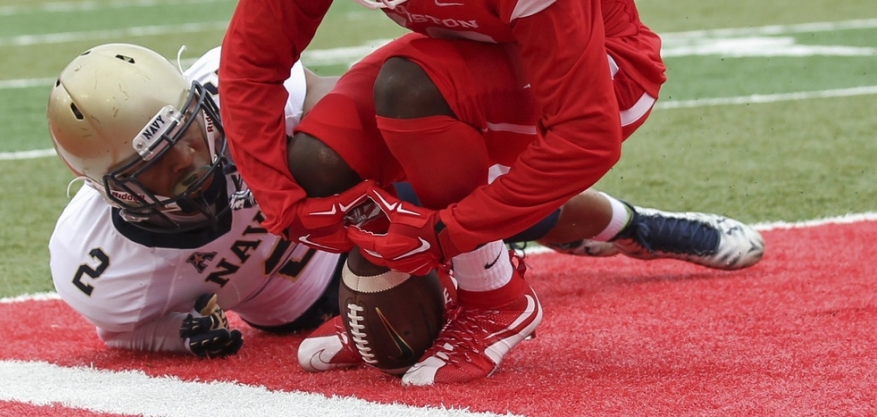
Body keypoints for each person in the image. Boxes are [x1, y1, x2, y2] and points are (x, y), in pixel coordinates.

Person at [217, 0, 764, 386]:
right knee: (315, 162)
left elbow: (585, 135)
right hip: (461, 60)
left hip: (605, 72)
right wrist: (282, 203)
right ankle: (430, 294)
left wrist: (445, 235)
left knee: (412, 99)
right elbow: (251, 60)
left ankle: (495, 300)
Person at [49, 41, 764, 371]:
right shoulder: (99, 269)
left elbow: (347, 126)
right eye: (161, 168)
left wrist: (402, 208)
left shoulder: (235, 91)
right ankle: (475, 273)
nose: (194, 165)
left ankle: (637, 228)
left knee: (479, 190)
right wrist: (190, 339)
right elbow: (130, 332)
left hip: (340, 213)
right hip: (303, 297)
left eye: (189, 138)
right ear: (110, 189)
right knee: (404, 338)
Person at [47, 43, 346, 359]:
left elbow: (332, 93)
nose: (187, 158)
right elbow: (123, 332)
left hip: (354, 213)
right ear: (116, 192)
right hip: (304, 301)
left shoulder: (233, 85)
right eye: (157, 163)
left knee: (324, 144)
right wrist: (182, 334)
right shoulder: (97, 267)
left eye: (185, 130)